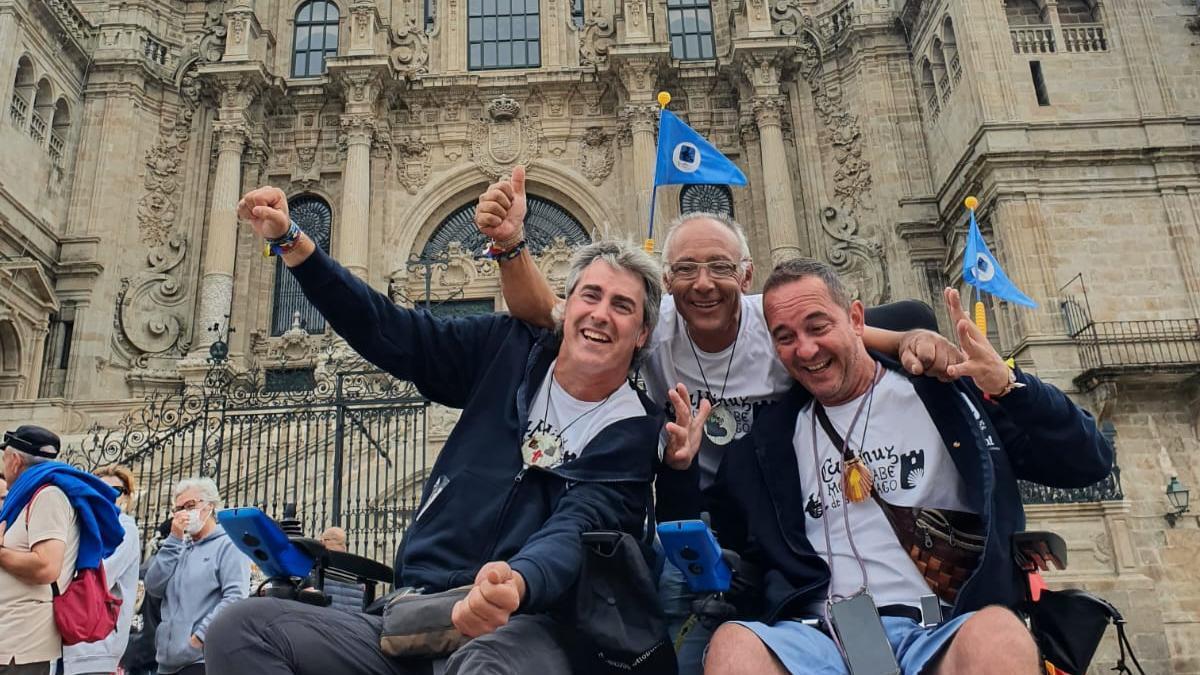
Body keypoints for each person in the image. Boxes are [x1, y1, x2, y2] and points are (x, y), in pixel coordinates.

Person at [475, 167, 963, 671]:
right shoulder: (647, 330)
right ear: (667, 281)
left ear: (746, 276)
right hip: (688, 515)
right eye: (685, 269)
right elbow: (547, 312)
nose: (702, 284)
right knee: (674, 635)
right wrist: (511, 245)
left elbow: (845, 338)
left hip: (778, 519)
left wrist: (905, 340)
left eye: (719, 267)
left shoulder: (779, 330)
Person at [204, 186, 666, 675]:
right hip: (417, 610)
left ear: (641, 334)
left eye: (622, 306)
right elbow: (392, 332)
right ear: (564, 308)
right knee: (242, 629)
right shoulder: (505, 349)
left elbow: (574, 530)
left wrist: (514, 583)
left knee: (483, 665)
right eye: (590, 295)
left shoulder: (632, 431)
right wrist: (296, 244)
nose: (600, 314)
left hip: (531, 625)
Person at [702, 259, 1115, 674]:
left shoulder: (947, 396)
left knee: (999, 637)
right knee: (734, 647)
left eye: (818, 326)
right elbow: (725, 530)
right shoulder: (766, 443)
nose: (806, 349)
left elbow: (1088, 461)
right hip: (819, 639)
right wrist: (679, 464)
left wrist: (1008, 387)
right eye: (785, 337)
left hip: (940, 630)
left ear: (856, 319)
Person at [0, 425, 124, 675]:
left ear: (14, 460)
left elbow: (46, 566)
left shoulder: (48, 497)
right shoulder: (30, 495)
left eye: (3, 459)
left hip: (22, 645)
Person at [144, 478, 250, 675]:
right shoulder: (179, 547)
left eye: (190, 505)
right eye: (178, 509)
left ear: (209, 506)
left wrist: (199, 638)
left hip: (202, 660)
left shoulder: (228, 545)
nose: (184, 512)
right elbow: (153, 586)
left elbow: (235, 597)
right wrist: (174, 540)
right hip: (167, 663)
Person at [61, 466, 143, 675]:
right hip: (64, 643)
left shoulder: (125, 528)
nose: (108, 495)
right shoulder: (80, 525)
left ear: (126, 497)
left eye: (116, 490)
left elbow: (100, 579)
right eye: (99, 489)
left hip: (97, 647)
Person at [318, 526, 366, 613]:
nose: (320, 542)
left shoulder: (318, 565)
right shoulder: (356, 569)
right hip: (352, 621)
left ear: (325, 541)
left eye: (323, 539)